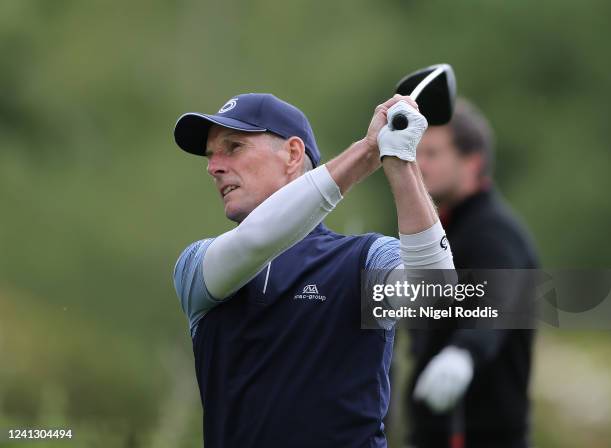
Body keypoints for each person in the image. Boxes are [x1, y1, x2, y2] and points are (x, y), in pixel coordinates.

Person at [171, 92, 455, 447]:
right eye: (212, 156)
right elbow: (255, 240)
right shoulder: (197, 265)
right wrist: (367, 151)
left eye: (233, 147)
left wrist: (399, 159)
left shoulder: (363, 260)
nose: (213, 167)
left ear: (292, 154)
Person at [406, 99, 539, 448]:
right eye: (416, 153)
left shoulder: (493, 232)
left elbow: (497, 303)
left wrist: (464, 352)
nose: (418, 165)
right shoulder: (442, 230)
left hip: (479, 434)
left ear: (472, 162)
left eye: (432, 154)